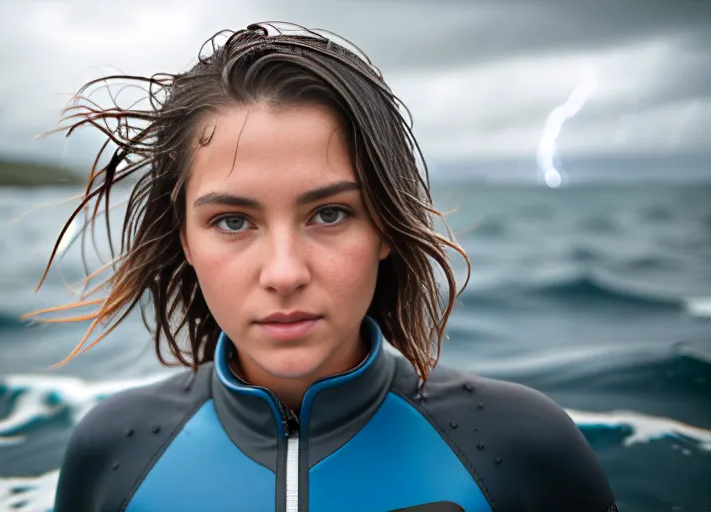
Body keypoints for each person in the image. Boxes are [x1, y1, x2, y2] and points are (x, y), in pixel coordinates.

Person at [34, 22, 618, 512]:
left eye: (330, 213)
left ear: (386, 225)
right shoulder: (113, 451)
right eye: (233, 221)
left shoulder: (521, 444)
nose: (284, 273)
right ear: (184, 238)